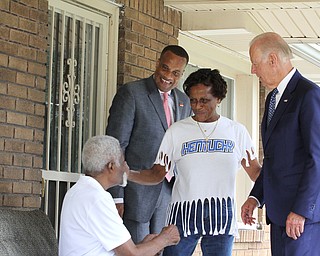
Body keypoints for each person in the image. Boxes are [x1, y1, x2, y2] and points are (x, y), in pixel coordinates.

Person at [126, 68, 261, 256]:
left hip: (221, 215)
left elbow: (256, 173)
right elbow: (157, 173)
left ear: (219, 98)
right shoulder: (177, 131)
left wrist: (259, 196)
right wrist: (128, 174)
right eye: (193, 100)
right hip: (183, 214)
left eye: (204, 100)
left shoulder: (236, 131)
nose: (197, 106)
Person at [241, 32, 320, 256]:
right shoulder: (273, 98)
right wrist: (255, 197)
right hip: (278, 218)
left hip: (301, 220)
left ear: (273, 59)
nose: (253, 70)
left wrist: (301, 211)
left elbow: (317, 158)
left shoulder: (309, 95)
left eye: (255, 64)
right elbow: (275, 160)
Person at [106, 45, 192, 244]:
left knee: (159, 248)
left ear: (182, 74)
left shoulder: (184, 101)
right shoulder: (132, 93)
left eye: (176, 73)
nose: (168, 76)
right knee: (137, 249)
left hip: (169, 193)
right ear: (157, 63)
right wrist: (116, 195)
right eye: (165, 68)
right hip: (136, 193)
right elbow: (115, 146)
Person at [59, 135, 180, 256]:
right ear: (111, 166)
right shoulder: (98, 199)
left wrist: (147, 244)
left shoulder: (77, 191)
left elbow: (120, 251)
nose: (126, 168)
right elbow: (132, 254)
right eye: (122, 162)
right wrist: (165, 239)